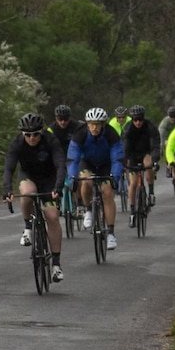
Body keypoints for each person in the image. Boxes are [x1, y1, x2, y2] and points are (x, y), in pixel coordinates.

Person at [2, 113, 67, 281]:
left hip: (49, 179)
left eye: (35, 134)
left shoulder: (51, 141)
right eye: (27, 135)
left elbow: (60, 165)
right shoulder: (17, 143)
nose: (32, 138)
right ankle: (28, 227)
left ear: (42, 132)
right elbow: (9, 168)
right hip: (29, 176)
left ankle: (57, 264)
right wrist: (7, 190)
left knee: (52, 216)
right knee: (27, 192)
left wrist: (58, 187)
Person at [67, 107, 124, 250]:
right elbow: (72, 159)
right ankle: (88, 211)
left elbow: (117, 159)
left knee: (107, 193)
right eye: (91, 124)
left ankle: (111, 233)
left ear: (103, 124)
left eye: (97, 124)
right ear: (87, 124)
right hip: (87, 163)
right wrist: (72, 178)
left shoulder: (111, 134)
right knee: (86, 181)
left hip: (106, 164)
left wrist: (114, 178)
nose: (94, 127)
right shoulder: (80, 134)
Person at [121, 105, 160, 227]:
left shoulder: (150, 127)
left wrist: (155, 160)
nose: (138, 122)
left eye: (140, 119)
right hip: (132, 155)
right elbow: (125, 148)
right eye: (135, 120)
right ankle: (132, 212)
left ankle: (151, 192)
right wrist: (124, 162)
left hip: (146, 153)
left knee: (148, 164)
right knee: (132, 184)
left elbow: (155, 146)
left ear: (143, 118)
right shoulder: (127, 129)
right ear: (132, 119)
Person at [158, 106, 175, 177]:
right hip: (168, 139)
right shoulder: (165, 122)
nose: (173, 119)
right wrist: (161, 146)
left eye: (174, 117)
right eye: (171, 117)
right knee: (166, 145)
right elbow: (161, 135)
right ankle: (168, 164)